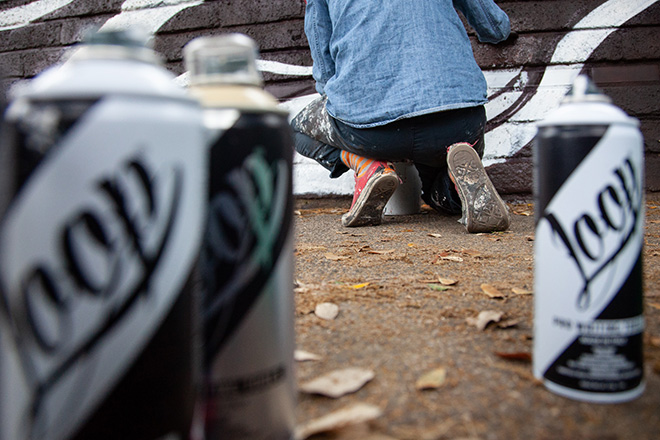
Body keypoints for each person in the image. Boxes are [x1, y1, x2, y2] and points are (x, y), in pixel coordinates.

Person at [292, 0, 513, 233]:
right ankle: (455, 187)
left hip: (370, 131)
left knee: (294, 130)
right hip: (459, 120)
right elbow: (496, 29)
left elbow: (325, 71)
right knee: (439, 185)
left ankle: (368, 167)